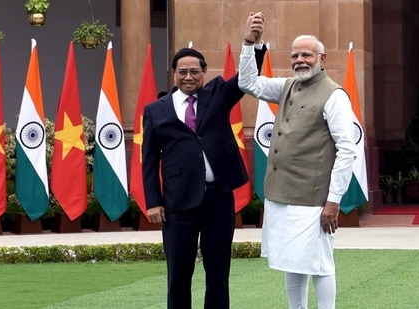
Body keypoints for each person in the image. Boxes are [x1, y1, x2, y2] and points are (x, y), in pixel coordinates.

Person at [141, 13, 266, 309]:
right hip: (177, 204)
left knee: (218, 274)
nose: (188, 77)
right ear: (173, 74)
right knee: (178, 276)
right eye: (182, 71)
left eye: (194, 71)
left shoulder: (217, 95)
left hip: (218, 199)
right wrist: (153, 201)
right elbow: (148, 160)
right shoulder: (156, 110)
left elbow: (247, 78)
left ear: (204, 72)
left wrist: (251, 41)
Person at [239, 21, 358, 309]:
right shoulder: (288, 86)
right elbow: (248, 83)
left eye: (307, 55)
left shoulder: (334, 95)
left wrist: (332, 202)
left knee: (320, 263)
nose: (300, 61)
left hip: (314, 199)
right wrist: (248, 44)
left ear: (322, 59)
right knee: (292, 259)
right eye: (295, 55)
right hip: (281, 194)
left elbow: (347, 150)